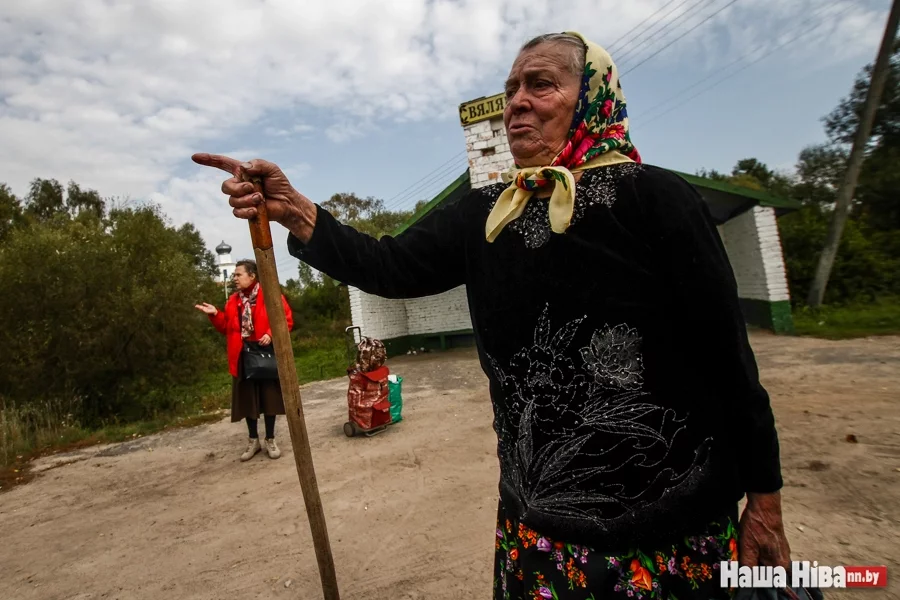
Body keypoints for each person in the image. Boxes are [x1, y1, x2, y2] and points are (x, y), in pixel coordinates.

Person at [194, 31, 792, 599]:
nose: (517, 105)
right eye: (510, 91)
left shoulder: (655, 199)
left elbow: (729, 359)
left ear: (592, 96)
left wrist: (764, 498)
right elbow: (388, 266)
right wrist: (295, 211)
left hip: (667, 533)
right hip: (538, 531)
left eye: (541, 85)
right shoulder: (485, 215)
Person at [195, 259, 294, 462]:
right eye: (234, 275)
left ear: (252, 276)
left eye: (238, 274)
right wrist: (215, 315)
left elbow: (286, 319)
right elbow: (227, 327)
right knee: (248, 400)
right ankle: (253, 440)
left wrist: (271, 333)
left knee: (269, 399)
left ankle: (270, 439)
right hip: (242, 357)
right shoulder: (233, 301)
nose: (235, 278)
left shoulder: (271, 296)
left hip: (264, 356)